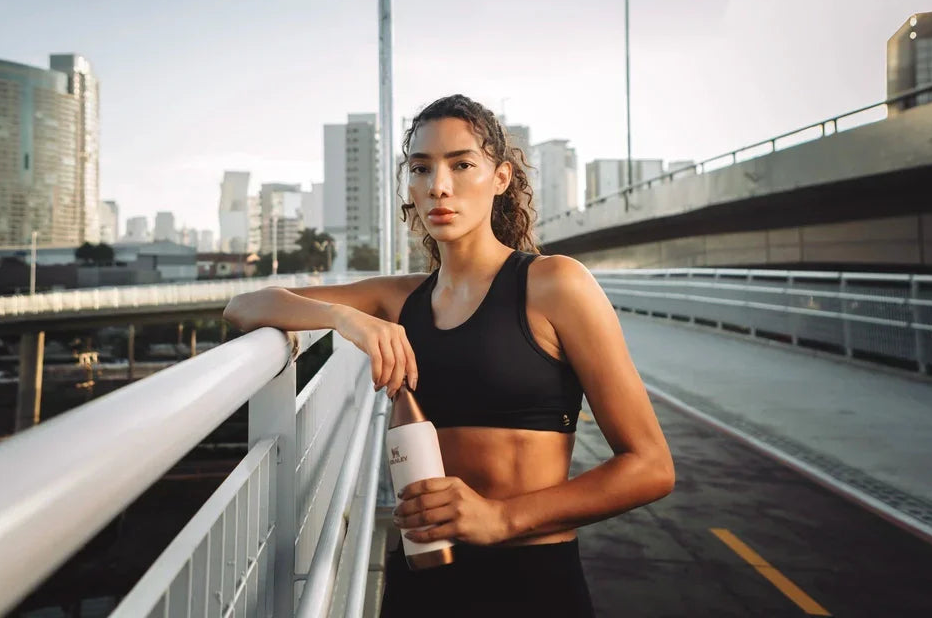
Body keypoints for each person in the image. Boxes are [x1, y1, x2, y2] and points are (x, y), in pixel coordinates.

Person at [224, 94, 674, 617]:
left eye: (462, 164)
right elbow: (244, 306)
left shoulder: (554, 284)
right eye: (421, 168)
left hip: (530, 582)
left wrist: (500, 517)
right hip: (421, 578)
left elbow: (650, 467)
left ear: (501, 177)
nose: (439, 185)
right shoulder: (398, 299)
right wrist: (343, 317)